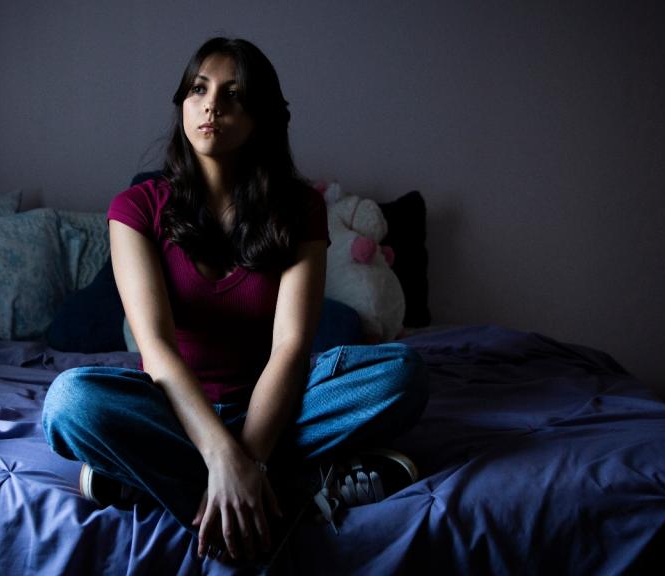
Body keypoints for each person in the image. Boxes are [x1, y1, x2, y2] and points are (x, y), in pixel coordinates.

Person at [42, 37, 428, 564]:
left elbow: (292, 347)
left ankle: (149, 478)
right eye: (198, 89)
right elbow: (155, 349)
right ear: (182, 103)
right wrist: (224, 458)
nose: (212, 105)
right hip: (173, 408)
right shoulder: (135, 208)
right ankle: (299, 488)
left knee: (402, 372)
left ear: (261, 116)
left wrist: (246, 458)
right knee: (70, 402)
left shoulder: (299, 208)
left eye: (234, 94)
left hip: (279, 405)